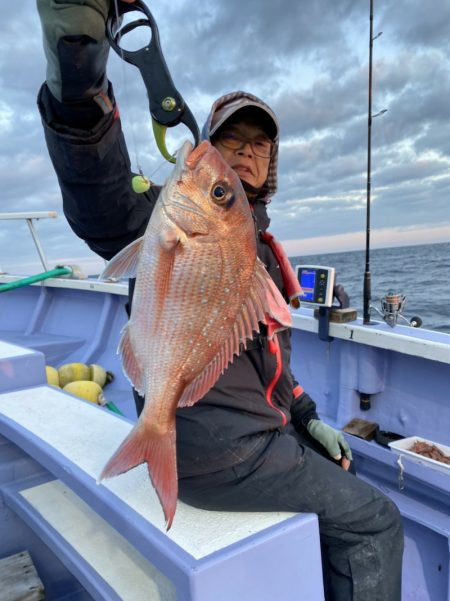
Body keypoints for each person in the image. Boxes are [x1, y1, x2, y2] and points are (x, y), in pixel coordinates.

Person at [36, 1, 404, 599]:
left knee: (346, 468)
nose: (246, 150)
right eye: (230, 137)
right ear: (204, 144)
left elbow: (270, 365)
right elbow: (99, 198)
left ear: (270, 165)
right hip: (221, 453)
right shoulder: (165, 215)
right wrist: (80, 93)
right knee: (378, 522)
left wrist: (307, 417)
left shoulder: (259, 250)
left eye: (261, 144)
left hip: (244, 437)